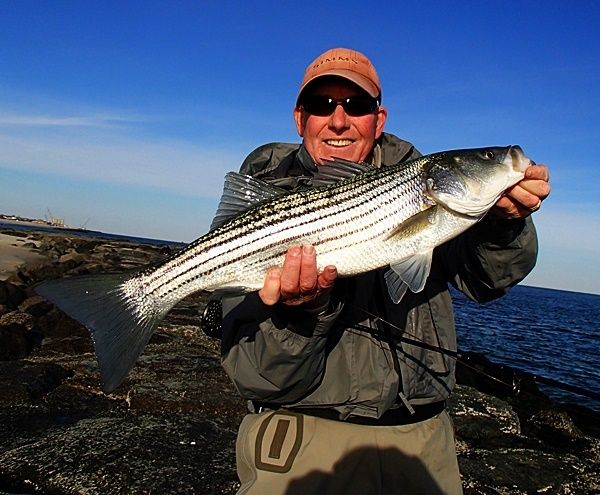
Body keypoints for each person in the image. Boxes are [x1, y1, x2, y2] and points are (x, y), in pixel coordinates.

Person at [216, 48, 551, 494]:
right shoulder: (264, 195)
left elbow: (488, 280)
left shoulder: (430, 189)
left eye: (356, 105)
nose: (339, 120)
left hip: (423, 445)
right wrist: (304, 312)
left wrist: (503, 224)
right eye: (322, 105)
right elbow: (254, 374)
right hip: (299, 446)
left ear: (379, 118)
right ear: (300, 118)